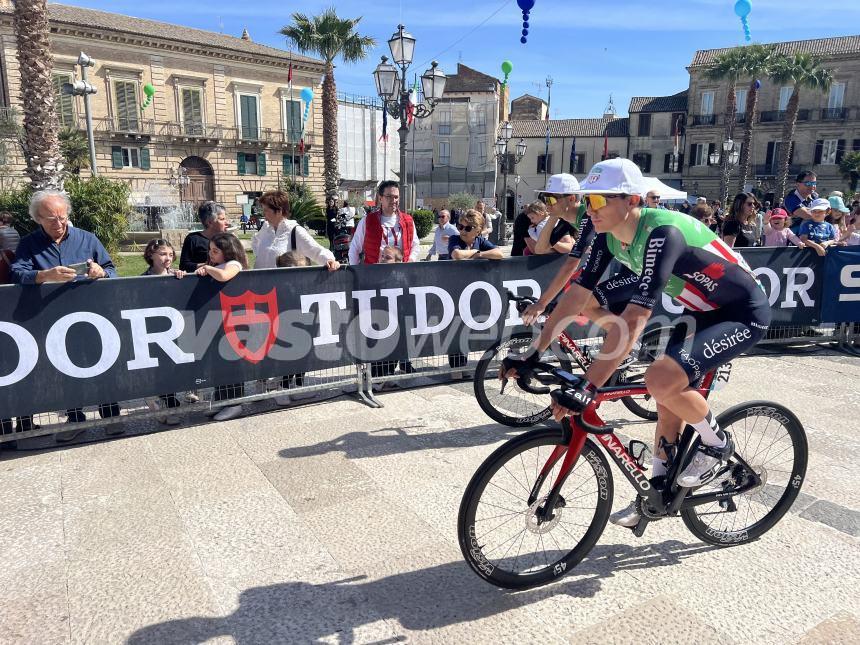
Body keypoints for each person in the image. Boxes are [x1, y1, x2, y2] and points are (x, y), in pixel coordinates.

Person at [505, 158, 770, 529]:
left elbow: (634, 320)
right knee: (666, 398)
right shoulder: (606, 235)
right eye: (587, 200)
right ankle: (658, 490)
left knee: (659, 378)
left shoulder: (663, 233)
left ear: (630, 200)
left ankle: (717, 444)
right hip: (699, 312)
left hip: (742, 311)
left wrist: (589, 385)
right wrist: (535, 352)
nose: (589, 208)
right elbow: (576, 296)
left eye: (598, 201)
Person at [10, 190, 121, 441]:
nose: (59, 223)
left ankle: (112, 416)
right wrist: (43, 276)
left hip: (92, 314)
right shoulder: (29, 243)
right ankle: (75, 419)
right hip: (52, 318)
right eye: (51, 219)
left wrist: (100, 273)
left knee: (103, 365)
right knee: (65, 369)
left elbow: (111, 270)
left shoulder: (87, 238)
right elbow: (16, 273)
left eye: (62, 217)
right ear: (37, 218)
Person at [196, 232, 249, 422]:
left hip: (234, 319)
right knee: (219, 362)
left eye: (216, 251)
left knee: (232, 361)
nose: (211, 254)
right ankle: (221, 398)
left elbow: (225, 275)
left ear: (227, 251)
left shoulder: (234, 264)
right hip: (219, 318)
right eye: (210, 250)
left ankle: (234, 402)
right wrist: (208, 268)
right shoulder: (216, 265)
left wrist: (207, 268)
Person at [140, 239, 186, 425]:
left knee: (173, 366)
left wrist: (183, 277)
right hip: (153, 329)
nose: (167, 258)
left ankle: (170, 401)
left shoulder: (176, 275)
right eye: (162, 254)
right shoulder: (143, 279)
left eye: (169, 254)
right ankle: (166, 401)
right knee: (160, 367)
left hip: (174, 327)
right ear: (151, 255)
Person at [252, 190, 339, 271]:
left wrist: (330, 261)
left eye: (266, 210)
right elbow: (256, 247)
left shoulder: (294, 231)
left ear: (279, 211)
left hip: (282, 285)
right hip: (260, 284)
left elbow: (316, 251)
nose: (263, 214)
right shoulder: (265, 228)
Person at [348, 180, 420, 264]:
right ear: (380, 198)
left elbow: (415, 245)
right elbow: (354, 249)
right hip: (375, 274)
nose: (393, 200)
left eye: (396, 197)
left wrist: (411, 260)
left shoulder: (408, 221)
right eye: (389, 196)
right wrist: (356, 273)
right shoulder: (367, 221)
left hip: (402, 273)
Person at [179, 201, 230, 272]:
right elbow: (183, 266)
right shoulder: (193, 239)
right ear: (209, 222)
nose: (227, 223)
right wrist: (206, 266)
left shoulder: (228, 239)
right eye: (222, 219)